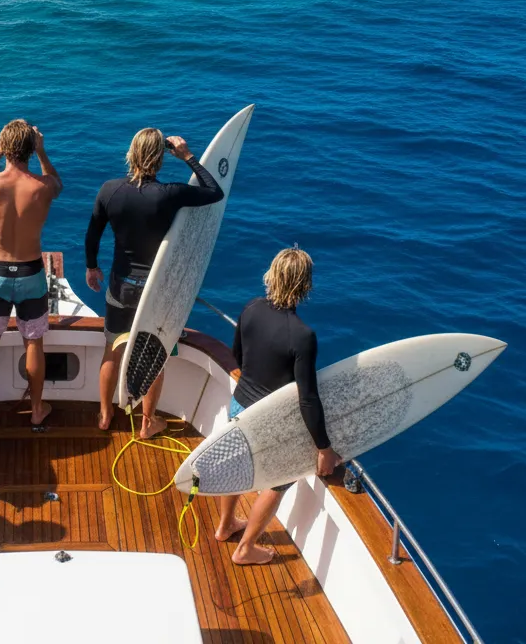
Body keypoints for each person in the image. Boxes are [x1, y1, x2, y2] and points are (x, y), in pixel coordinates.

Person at [85, 129, 223, 436]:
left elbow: (92, 234)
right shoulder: (169, 194)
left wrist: (91, 267)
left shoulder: (109, 190)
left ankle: (105, 415)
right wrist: (187, 156)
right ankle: (147, 423)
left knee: (112, 350)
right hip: (155, 293)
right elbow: (215, 191)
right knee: (153, 356)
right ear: (160, 158)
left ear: (131, 153)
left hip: (120, 287)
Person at [215, 246, 342, 565]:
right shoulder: (302, 335)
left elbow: (238, 356)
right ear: (305, 285)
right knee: (279, 480)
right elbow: (307, 398)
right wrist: (324, 448)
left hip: (239, 406)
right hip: (270, 420)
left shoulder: (251, 308)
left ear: (271, 275)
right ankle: (245, 549)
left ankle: (225, 526)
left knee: (236, 468)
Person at [0, 120, 62, 426]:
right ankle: (36, 410)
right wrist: (42, 152)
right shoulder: (42, 187)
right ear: (31, 149)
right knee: (34, 343)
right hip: (30, 273)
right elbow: (57, 183)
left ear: (4, 147)